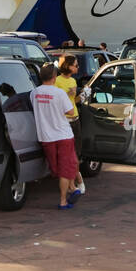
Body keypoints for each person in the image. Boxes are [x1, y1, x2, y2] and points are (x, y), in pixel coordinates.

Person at [31, 63, 81, 209]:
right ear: (54, 77)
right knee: (66, 168)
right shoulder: (59, 93)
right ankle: (63, 200)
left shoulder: (34, 93)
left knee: (57, 168)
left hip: (46, 137)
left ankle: (73, 188)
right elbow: (71, 112)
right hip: (63, 134)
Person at [54, 54, 86, 196]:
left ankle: (74, 181)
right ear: (68, 66)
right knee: (67, 153)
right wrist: (68, 93)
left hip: (75, 118)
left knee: (77, 152)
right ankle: (74, 182)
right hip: (64, 120)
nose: (78, 67)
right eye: (76, 65)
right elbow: (56, 100)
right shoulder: (57, 81)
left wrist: (84, 95)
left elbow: (74, 101)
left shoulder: (73, 80)